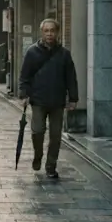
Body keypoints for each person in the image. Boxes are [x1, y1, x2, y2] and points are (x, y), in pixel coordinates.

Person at [19, 18, 78, 179]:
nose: (50, 34)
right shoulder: (32, 52)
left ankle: (51, 165)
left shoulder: (64, 54)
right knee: (37, 131)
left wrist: (73, 98)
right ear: (42, 32)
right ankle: (38, 155)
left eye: (52, 31)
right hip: (38, 100)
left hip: (57, 102)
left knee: (56, 136)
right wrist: (24, 94)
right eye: (46, 31)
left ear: (57, 32)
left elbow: (71, 78)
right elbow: (25, 75)